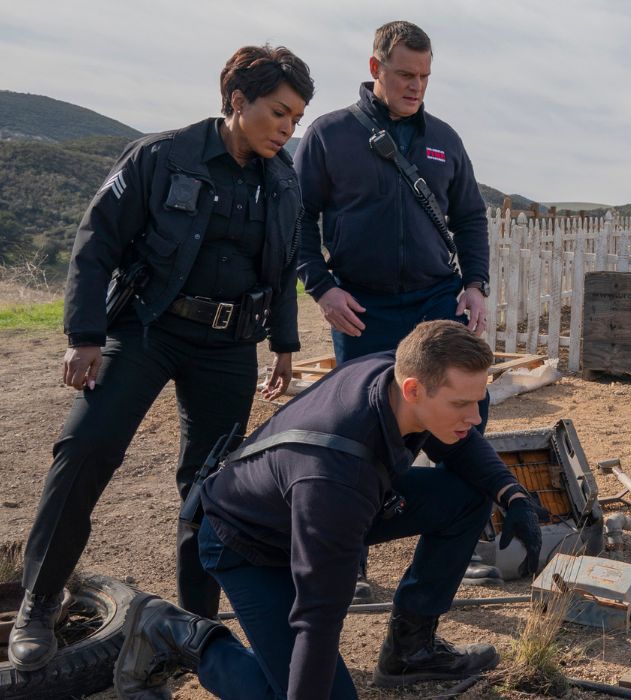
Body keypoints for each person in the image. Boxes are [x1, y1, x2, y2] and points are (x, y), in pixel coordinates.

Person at [7, 45, 314, 670]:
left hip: (229, 346)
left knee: (210, 489)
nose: (288, 128)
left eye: (296, 118)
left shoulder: (284, 181)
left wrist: (284, 345)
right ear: (237, 100)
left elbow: (283, 270)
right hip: (148, 329)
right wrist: (84, 335)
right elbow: (95, 244)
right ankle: (38, 602)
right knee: (86, 448)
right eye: (280, 112)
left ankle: (194, 627)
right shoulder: (159, 155)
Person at [113, 320, 545, 698]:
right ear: (413, 388)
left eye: (478, 400)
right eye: (460, 404)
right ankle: (174, 633)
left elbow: (463, 443)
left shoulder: (394, 376)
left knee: (468, 494)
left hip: (317, 507)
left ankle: (410, 651)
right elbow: (317, 619)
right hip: (248, 543)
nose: (474, 417)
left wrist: (513, 495)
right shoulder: (336, 478)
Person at [295, 20, 499, 597]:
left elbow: (470, 218)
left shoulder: (445, 140)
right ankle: (350, 551)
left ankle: (470, 536)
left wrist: (476, 284)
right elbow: (298, 220)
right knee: (364, 430)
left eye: (425, 77)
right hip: (362, 306)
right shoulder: (329, 135)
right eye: (406, 75)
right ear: (375, 68)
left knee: (464, 418)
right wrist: (322, 287)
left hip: (436, 302)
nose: (416, 87)